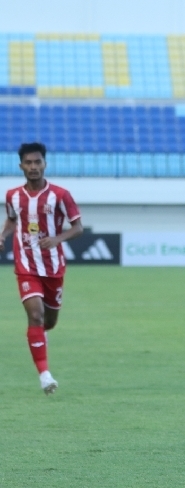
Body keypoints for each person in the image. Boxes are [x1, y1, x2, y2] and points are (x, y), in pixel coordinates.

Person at [1, 142, 83, 395]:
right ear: (21, 166)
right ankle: (45, 376)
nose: (33, 167)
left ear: (45, 164)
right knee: (34, 315)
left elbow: (78, 227)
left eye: (37, 162)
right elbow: (13, 219)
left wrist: (57, 239)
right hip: (26, 264)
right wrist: (3, 235)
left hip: (53, 267)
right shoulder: (12, 195)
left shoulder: (60, 195)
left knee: (49, 321)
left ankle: (38, 337)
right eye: (28, 163)